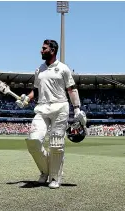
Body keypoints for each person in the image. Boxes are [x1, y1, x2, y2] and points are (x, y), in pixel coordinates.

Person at [16, 39, 86, 189]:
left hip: (60, 107)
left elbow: (72, 89)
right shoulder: (39, 70)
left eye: (44, 48)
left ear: (52, 50)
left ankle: (55, 177)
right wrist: (26, 99)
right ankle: (45, 171)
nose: (41, 51)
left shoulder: (63, 69)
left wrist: (77, 108)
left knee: (56, 144)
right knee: (33, 141)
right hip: (42, 108)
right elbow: (36, 90)